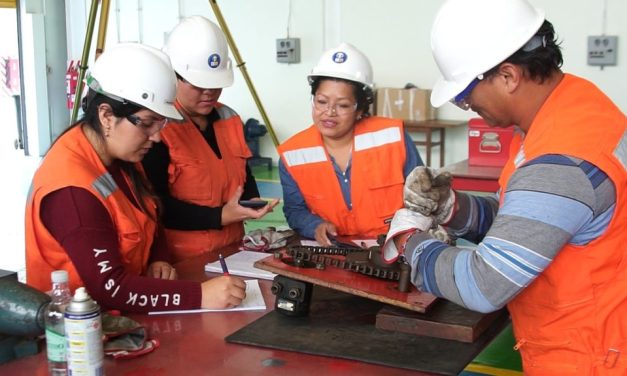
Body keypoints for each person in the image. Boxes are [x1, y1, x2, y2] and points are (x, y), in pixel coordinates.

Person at [383, 0, 626, 374]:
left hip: (590, 355)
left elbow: (484, 284)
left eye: (465, 94)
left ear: (509, 76)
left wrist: (408, 242)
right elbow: (528, 221)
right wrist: (453, 207)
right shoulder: (569, 108)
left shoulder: (560, 161)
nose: (466, 106)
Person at [25, 43, 246, 313]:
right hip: (81, 335)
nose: (155, 136)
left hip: (129, 321)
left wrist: (158, 258)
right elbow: (109, 288)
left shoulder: (120, 158)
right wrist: (198, 296)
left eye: (161, 123)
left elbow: (150, 215)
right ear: (106, 115)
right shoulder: (71, 190)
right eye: (146, 122)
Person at [142, 16, 278, 263]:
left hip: (235, 251)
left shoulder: (229, 118)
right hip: (184, 258)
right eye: (198, 84)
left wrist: (252, 203)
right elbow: (156, 206)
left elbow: (244, 176)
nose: (209, 93)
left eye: (216, 84)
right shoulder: (158, 128)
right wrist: (220, 217)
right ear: (174, 76)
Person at [278, 43, 424, 246]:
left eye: (343, 105)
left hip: (394, 248)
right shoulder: (293, 154)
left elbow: (420, 198)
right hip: (334, 251)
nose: (329, 112)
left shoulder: (393, 138)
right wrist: (315, 226)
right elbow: (295, 210)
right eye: (321, 101)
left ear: (360, 109)